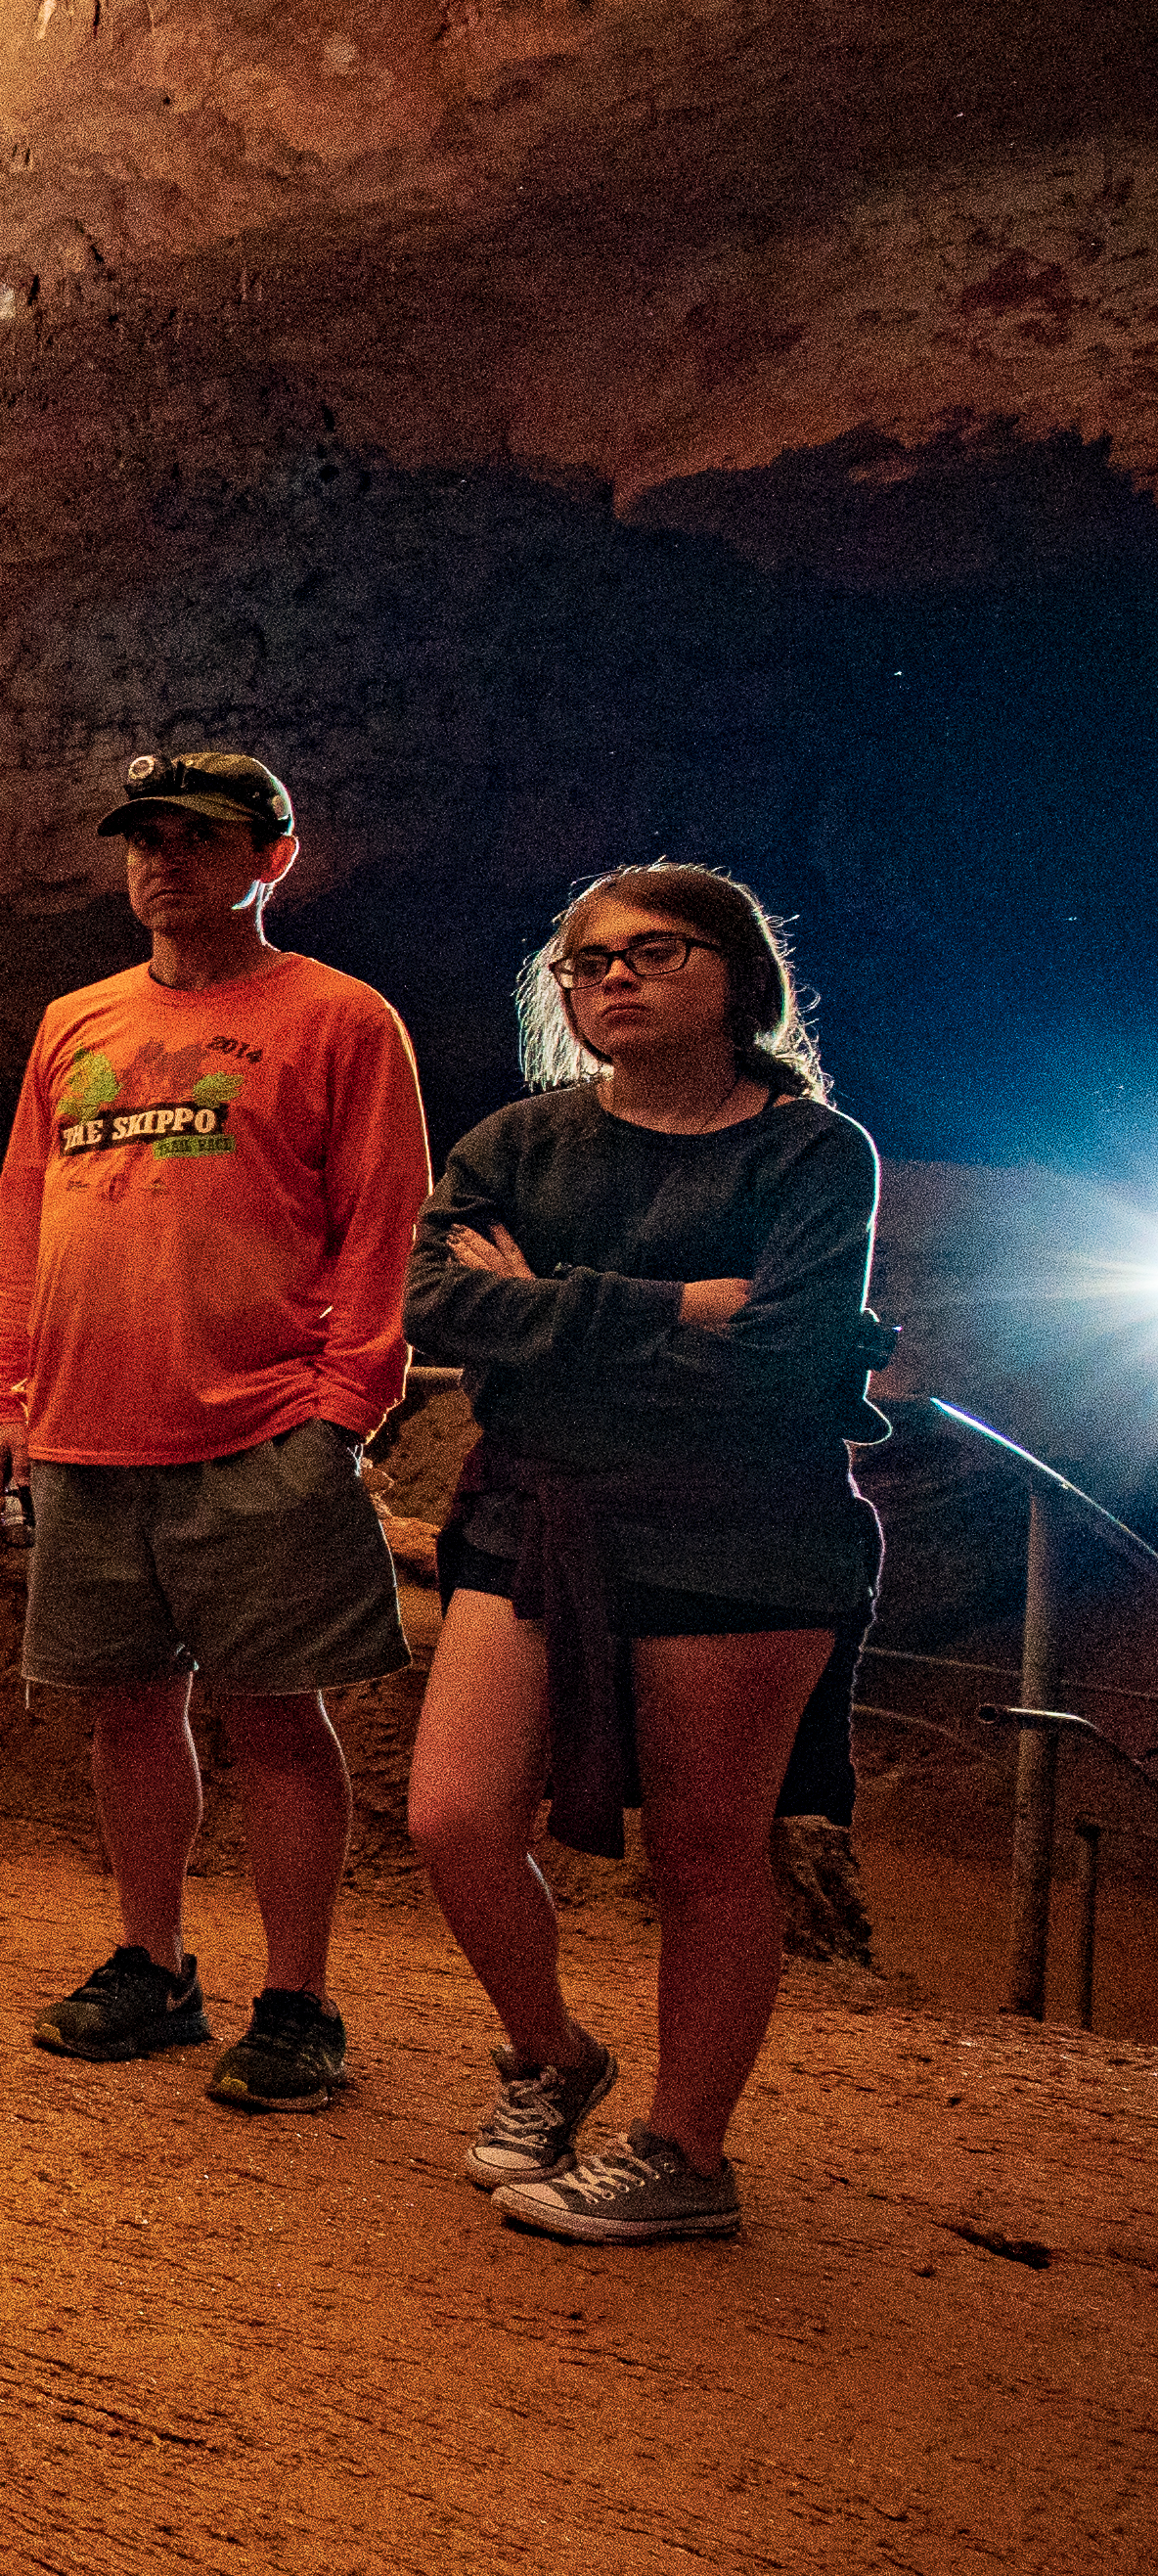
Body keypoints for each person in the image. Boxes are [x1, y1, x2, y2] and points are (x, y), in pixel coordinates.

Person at [403, 869, 889, 2244]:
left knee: (703, 1850)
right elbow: (437, 1303)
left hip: (740, 1531)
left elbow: (784, 1360)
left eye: (650, 952)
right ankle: (555, 2054)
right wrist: (676, 1306)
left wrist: (540, 1308)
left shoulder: (809, 1155)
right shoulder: (518, 1141)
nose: (609, 979)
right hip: (539, 1517)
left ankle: (686, 2154)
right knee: (452, 1816)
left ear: (735, 975)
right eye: (584, 962)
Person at [0, 748, 433, 2110]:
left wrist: (345, 1408)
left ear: (270, 859)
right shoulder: (75, 1021)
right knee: (128, 1712)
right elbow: (22, 1213)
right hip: (88, 1430)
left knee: (275, 1717)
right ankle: (153, 1964)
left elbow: (384, 1223)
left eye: (199, 837)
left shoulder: (343, 1020)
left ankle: (296, 2001)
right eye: (145, 838)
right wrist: (2, 1395)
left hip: (259, 1430)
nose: (162, 862)